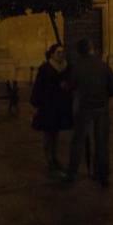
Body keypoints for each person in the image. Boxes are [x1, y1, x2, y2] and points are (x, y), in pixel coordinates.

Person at [66, 39, 113, 186]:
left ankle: (72, 173)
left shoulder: (77, 67)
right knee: (102, 143)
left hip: (83, 108)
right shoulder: (103, 66)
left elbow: (70, 86)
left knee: (78, 141)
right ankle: (102, 175)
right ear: (92, 49)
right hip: (101, 108)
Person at [29, 44, 71, 175]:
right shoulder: (45, 68)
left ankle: (55, 157)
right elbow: (38, 87)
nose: (61, 54)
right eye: (58, 52)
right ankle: (49, 159)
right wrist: (36, 104)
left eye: (63, 52)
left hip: (60, 106)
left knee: (56, 134)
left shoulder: (66, 67)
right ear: (52, 54)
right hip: (48, 106)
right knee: (48, 134)